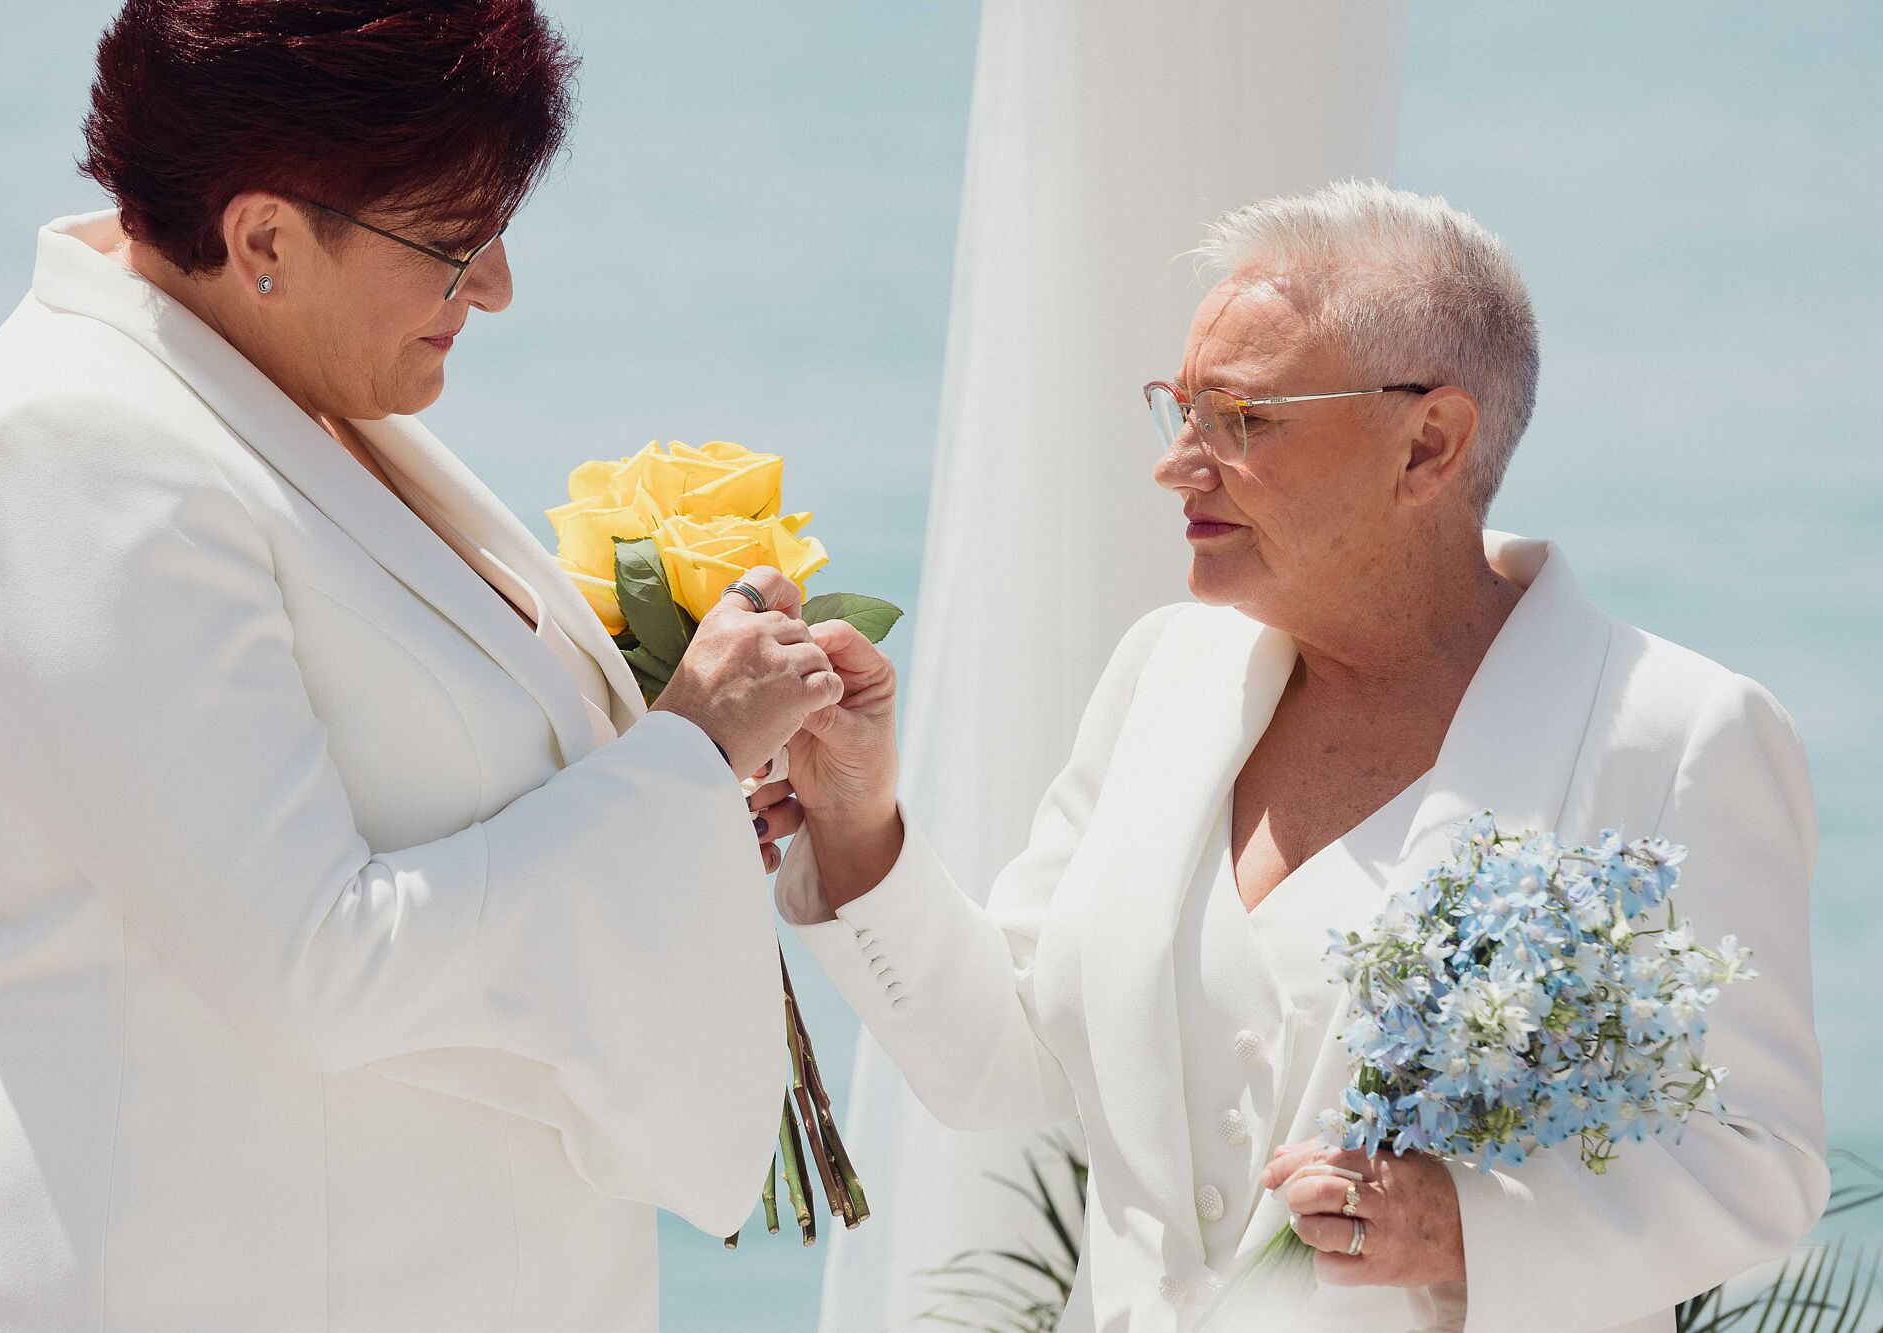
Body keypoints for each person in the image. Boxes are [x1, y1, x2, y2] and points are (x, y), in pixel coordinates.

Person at [0, 3, 832, 1327]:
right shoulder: (81, 455)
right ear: (263, 235)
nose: (496, 285)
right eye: (453, 244)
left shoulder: (260, 385)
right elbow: (312, 964)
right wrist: (685, 757)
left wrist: (677, 799)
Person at [781, 180, 1828, 1331]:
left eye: (1240, 420)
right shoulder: (1162, 673)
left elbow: (1758, 1166)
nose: (1175, 463)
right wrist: (854, 820)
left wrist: (1459, 1224)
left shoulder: (1677, 735)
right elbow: (1000, 1062)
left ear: (1427, 442)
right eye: (1176, 410)